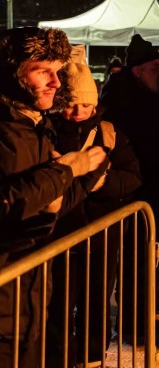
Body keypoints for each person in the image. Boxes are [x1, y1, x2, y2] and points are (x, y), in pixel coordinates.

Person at [0, 27, 107, 367]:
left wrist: (86, 175)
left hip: (30, 298)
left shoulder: (36, 126)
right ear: (13, 71)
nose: (56, 82)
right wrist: (64, 171)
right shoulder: (8, 128)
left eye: (57, 71)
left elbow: (47, 207)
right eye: (42, 70)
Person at [47, 51, 142, 367]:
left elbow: (132, 177)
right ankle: (61, 357)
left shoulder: (109, 133)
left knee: (98, 299)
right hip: (61, 233)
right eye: (71, 104)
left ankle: (92, 356)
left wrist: (101, 182)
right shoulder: (47, 133)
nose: (78, 112)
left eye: (86, 105)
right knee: (59, 302)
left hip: (102, 232)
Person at [100, 34, 159, 340]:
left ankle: (147, 303)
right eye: (156, 67)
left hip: (157, 189)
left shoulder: (158, 94)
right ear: (138, 70)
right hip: (135, 192)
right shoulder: (123, 99)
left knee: (149, 254)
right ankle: (134, 322)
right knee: (136, 258)